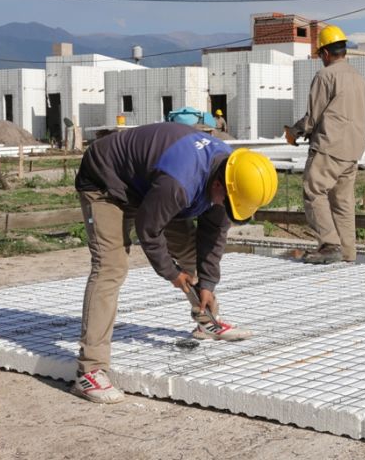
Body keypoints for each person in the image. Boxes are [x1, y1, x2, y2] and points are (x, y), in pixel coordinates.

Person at [72, 122, 278, 403]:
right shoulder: (180, 183)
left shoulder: (230, 175)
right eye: (224, 201)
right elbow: (149, 228)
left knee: (190, 252)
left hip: (149, 183)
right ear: (219, 184)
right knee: (111, 267)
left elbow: (213, 235)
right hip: (106, 181)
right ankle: (90, 370)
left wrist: (207, 284)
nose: (224, 208)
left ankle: (207, 320)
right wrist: (172, 273)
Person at [286, 24, 365, 264]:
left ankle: (330, 244)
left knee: (313, 190)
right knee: (342, 201)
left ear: (324, 53)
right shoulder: (357, 77)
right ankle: (347, 253)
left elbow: (313, 118)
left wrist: (294, 131)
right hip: (353, 149)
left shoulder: (325, 76)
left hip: (330, 145)